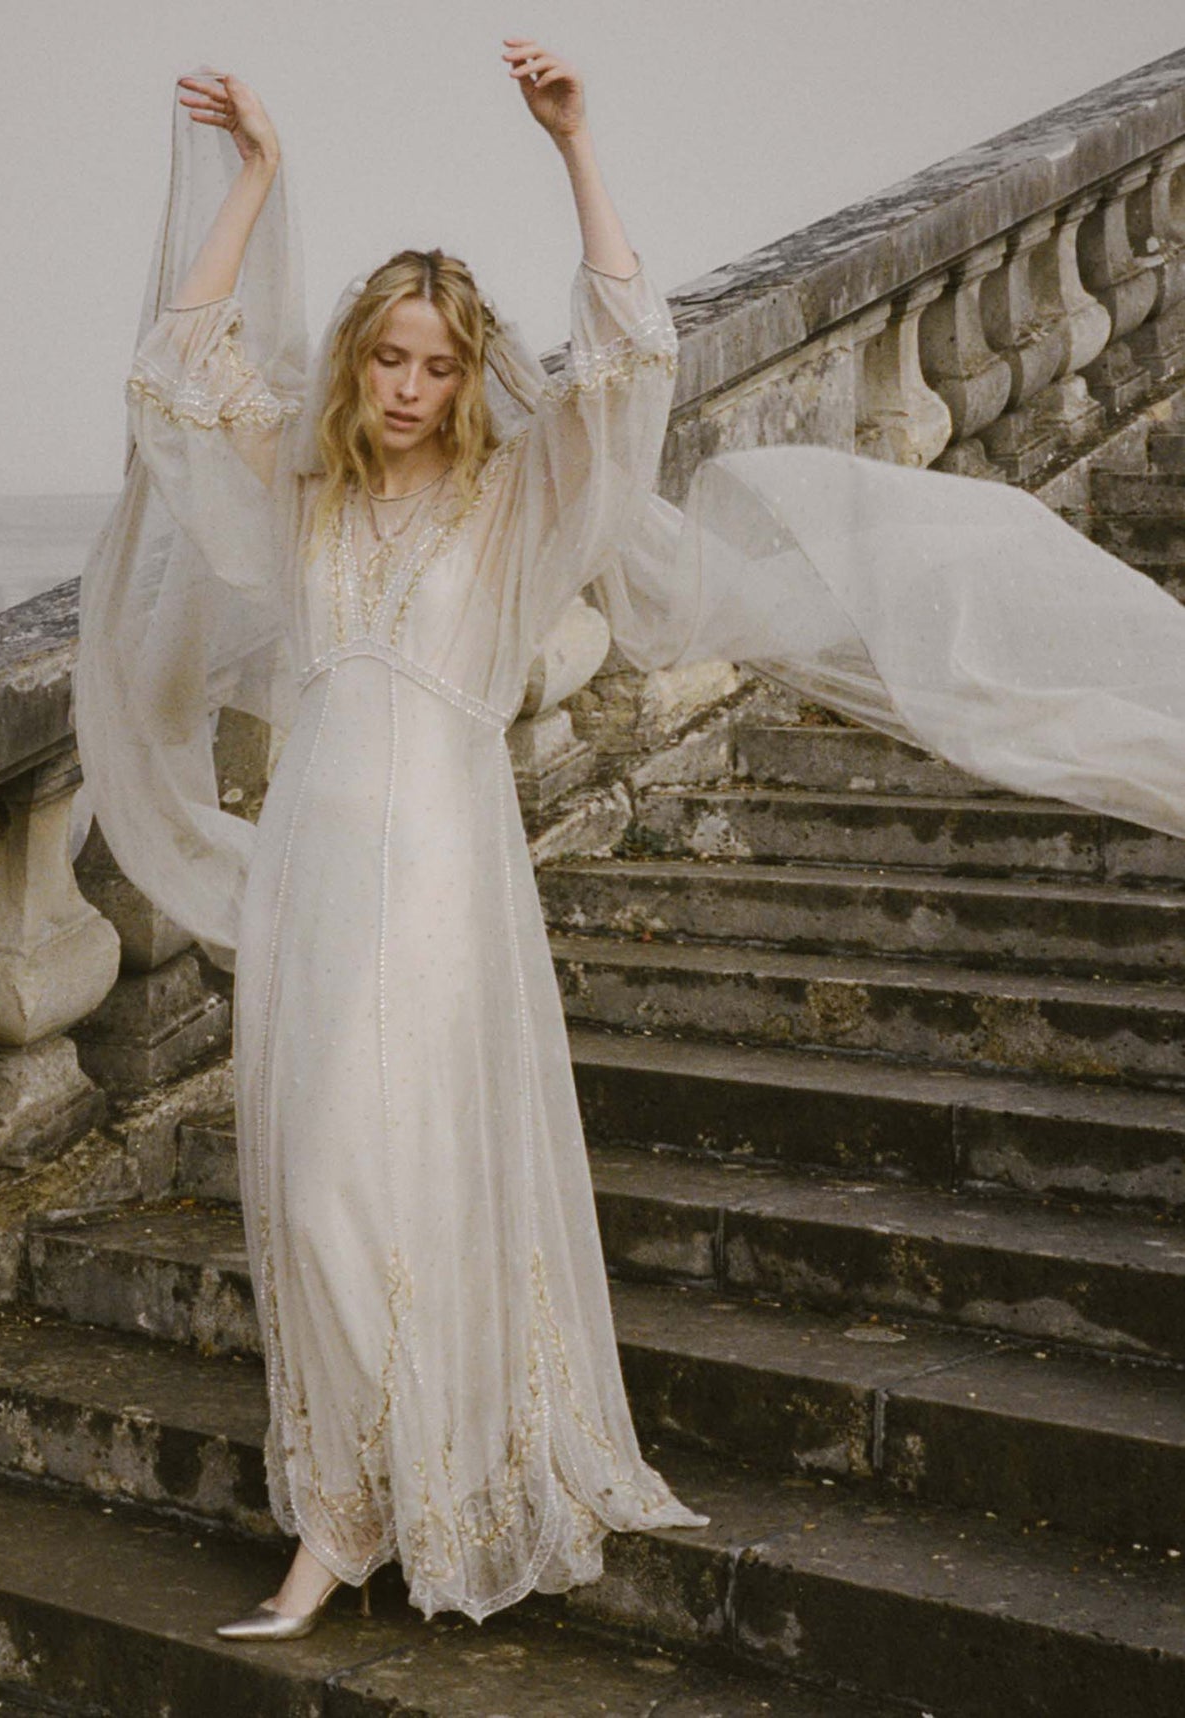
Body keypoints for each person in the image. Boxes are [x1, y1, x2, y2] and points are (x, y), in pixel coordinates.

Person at [74, 38, 1185, 1642]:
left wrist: (574, 148)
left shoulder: (520, 505)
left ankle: (423, 1494)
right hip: (316, 880)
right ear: (354, 368)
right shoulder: (300, 496)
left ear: (468, 377)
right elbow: (174, 374)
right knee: (314, 1179)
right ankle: (340, 1508)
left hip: (445, 886)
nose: (408, 388)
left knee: (418, 1182)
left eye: (437, 365)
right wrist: (258, 174)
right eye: (386, 359)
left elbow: (626, 364)